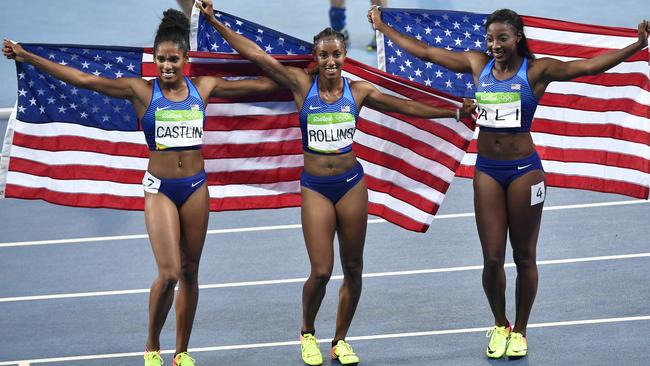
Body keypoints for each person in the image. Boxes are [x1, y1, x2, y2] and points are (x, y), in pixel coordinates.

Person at [195, 1, 475, 365]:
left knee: (354, 268)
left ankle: (340, 340)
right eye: (325, 55)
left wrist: (453, 110)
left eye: (337, 54)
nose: (331, 61)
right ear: (315, 56)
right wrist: (215, 21)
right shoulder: (300, 85)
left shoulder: (357, 92)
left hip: (351, 185)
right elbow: (258, 56)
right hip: (315, 188)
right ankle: (307, 332)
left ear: (345, 55)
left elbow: (405, 106)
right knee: (322, 270)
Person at [369, 6, 650, 359]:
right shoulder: (477, 64)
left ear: (518, 38)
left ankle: (520, 331)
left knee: (524, 256)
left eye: (502, 38)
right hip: (487, 170)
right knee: (491, 258)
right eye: (490, 39)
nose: (495, 45)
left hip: (525, 173)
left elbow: (589, 66)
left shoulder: (537, 70)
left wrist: (636, 45)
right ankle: (500, 323)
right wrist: (382, 26)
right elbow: (426, 52)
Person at [3, 9, 280, 366]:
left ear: (186, 59)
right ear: (154, 59)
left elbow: (265, 83)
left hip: (196, 188)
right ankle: (152, 344)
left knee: (191, 272)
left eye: (173, 59)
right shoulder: (139, 90)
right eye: (161, 59)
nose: (167, 66)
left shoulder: (205, 87)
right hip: (160, 189)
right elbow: (82, 79)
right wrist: (28, 56)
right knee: (168, 274)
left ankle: (182, 352)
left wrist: (301, 74)